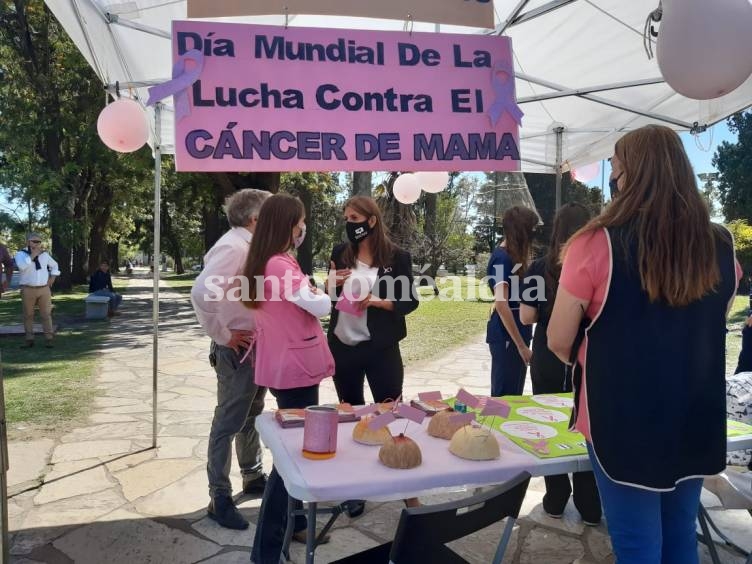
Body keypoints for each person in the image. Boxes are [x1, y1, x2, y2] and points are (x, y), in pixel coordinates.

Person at [547, 125, 740, 564]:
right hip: (694, 414)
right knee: (678, 539)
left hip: (622, 420)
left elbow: (558, 340)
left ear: (631, 173)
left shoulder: (596, 243)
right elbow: (711, 318)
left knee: (637, 547)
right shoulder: (720, 243)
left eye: (615, 166)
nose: (612, 176)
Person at [245, 194, 335, 564]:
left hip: (287, 364)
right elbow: (321, 305)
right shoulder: (280, 266)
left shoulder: (269, 261)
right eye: (300, 221)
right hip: (294, 368)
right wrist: (325, 287)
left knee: (294, 451)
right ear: (287, 225)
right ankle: (267, 550)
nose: (303, 228)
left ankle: (292, 526)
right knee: (290, 462)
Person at [326, 195, 420, 517]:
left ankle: (405, 486)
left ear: (372, 221)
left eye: (354, 218)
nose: (349, 224)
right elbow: (330, 296)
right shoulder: (340, 253)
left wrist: (379, 301)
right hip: (344, 346)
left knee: (389, 412)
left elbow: (410, 303)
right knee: (351, 416)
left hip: (381, 349)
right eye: (346, 218)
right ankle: (355, 488)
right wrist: (331, 283)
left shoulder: (397, 257)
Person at [191, 189, 271, 530]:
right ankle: (219, 497)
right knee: (228, 422)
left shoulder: (248, 245)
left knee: (250, 414)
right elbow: (201, 292)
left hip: (255, 349)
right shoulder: (234, 246)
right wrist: (223, 336)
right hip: (237, 350)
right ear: (255, 220)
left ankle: (252, 475)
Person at [519, 203, 601, 525]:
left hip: (547, 354)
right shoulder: (599, 264)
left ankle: (555, 496)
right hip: (586, 354)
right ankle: (589, 501)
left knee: (548, 423)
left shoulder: (538, 268)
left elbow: (527, 316)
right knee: (585, 426)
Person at [486, 206, 539, 397]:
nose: (534, 234)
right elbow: (501, 304)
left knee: (514, 394)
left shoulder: (513, 257)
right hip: (507, 337)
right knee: (504, 398)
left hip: (517, 334)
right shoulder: (502, 259)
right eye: (531, 229)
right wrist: (521, 346)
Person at [15, 233, 59, 348]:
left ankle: (49, 339)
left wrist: (52, 277)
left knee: (46, 314)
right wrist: (32, 255)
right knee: (28, 315)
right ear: (28, 242)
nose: (37, 244)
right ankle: (29, 339)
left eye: (39, 242)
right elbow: (21, 266)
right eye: (34, 241)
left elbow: (55, 265)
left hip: (44, 289)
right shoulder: (21, 254)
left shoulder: (44, 255)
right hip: (28, 289)